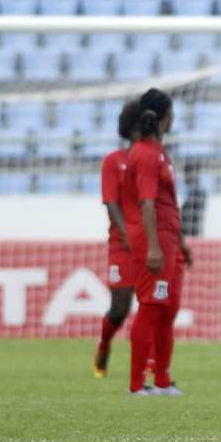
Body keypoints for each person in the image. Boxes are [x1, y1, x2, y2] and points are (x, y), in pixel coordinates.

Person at [121, 88, 191, 396]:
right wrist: (153, 246)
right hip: (154, 239)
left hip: (169, 238)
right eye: (171, 112)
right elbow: (147, 203)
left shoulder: (159, 151)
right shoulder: (145, 154)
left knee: (168, 307)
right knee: (151, 306)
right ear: (165, 116)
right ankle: (137, 384)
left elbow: (166, 202)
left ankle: (161, 378)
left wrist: (181, 241)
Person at [94, 100, 140, 378]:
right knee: (120, 308)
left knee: (152, 308)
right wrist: (128, 236)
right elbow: (110, 203)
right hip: (122, 245)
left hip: (151, 245)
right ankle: (104, 344)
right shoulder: (114, 161)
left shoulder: (154, 156)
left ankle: (149, 367)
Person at [180, 161, 206, 237]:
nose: (184, 176)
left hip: (191, 237)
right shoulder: (193, 194)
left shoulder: (197, 195)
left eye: (186, 173)